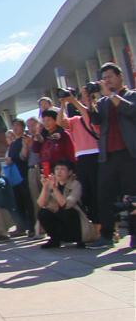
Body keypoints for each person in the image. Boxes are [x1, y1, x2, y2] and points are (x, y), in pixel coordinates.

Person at [86, 63, 136, 249]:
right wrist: (90, 102)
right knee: (105, 196)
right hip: (108, 155)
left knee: (133, 197)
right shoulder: (104, 102)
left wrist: (111, 95)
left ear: (120, 76)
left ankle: (134, 234)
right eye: (104, 78)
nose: (107, 81)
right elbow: (96, 122)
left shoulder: (131, 95)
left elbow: (132, 111)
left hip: (129, 153)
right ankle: (106, 235)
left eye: (110, 77)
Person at [58, 88, 101, 223]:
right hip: (81, 158)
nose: (83, 101)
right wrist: (63, 103)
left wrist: (73, 100)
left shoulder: (95, 116)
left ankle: (107, 225)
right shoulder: (75, 120)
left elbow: (87, 113)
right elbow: (60, 122)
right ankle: (94, 223)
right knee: (86, 192)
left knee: (97, 190)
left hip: (95, 155)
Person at [36, 161, 98, 248]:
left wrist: (54, 188)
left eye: (62, 169)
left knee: (68, 211)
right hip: (60, 221)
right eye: (57, 169)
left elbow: (67, 204)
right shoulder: (51, 183)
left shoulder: (75, 184)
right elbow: (40, 204)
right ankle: (55, 239)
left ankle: (78, 239)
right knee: (43, 213)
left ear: (69, 172)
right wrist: (45, 186)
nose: (59, 172)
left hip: (75, 221)